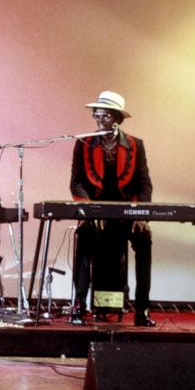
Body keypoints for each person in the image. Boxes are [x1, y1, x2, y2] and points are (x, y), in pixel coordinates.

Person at [69, 91, 153, 327]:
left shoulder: (136, 145)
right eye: (97, 111)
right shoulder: (84, 143)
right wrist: (88, 211)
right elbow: (76, 182)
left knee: (144, 238)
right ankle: (79, 304)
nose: (98, 115)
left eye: (104, 111)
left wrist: (141, 214)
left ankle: (142, 309)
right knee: (84, 236)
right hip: (95, 211)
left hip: (127, 213)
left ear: (116, 116)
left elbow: (144, 183)